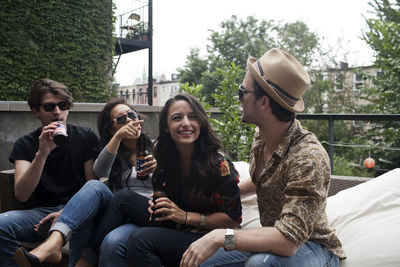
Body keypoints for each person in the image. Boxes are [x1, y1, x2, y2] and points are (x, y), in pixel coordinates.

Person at [180, 48, 346, 267]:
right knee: (199, 260)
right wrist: (219, 194)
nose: (238, 98)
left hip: (312, 246)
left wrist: (221, 236)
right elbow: (261, 181)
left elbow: (289, 241)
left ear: (263, 102)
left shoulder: (308, 157)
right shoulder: (261, 137)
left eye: (242, 92)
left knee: (260, 264)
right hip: (274, 239)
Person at [80, 94, 242, 267]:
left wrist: (186, 216)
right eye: (177, 118)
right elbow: (101, 171)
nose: (186, 123)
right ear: (166, 126)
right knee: (133, 232)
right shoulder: (167, 161)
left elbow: (233, 220)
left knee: (138, 236)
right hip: (179, 230)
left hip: (217, 238)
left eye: (193, 117)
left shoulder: (219, 165)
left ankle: (86, 259)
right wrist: (158, 204)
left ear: (201, 122)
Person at [12, 98, 156, 267]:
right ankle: (55, 243)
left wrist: (160, 166)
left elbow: (177, 181)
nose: (130, 120)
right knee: (94, 186)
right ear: (111, 130)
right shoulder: (113, 152)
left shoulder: (157, 147)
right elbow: (100, 171)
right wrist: (118, 137)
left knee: (112, 236)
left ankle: (75, 257)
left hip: (147, 210)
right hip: (117, 215)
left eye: (131, 114)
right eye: (121, 119)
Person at [0, 78, 98, 267]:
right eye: (49, 107)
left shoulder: (85, 137)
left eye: (63, 105)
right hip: (41, 215)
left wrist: (66, 213)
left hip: (78, 209)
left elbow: (92, 185)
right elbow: (21, 194)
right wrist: (42, 153)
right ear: (36, 111)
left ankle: (53, 246)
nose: (58, 112)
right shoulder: (25, 144)